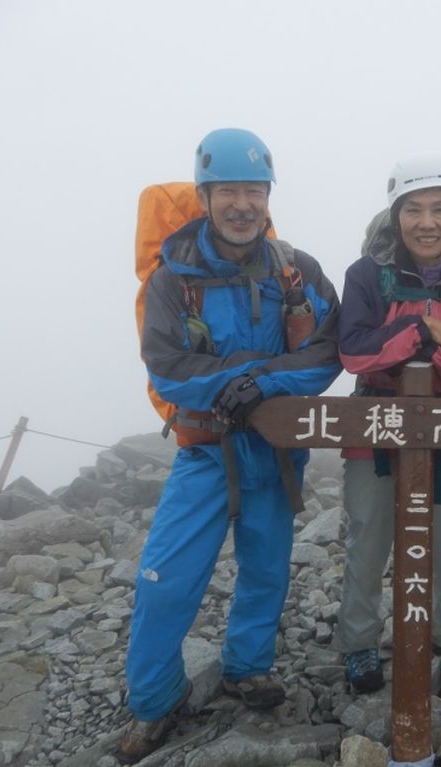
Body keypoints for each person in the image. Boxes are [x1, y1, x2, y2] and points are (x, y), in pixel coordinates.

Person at [118, 128, 341, 763]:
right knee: (165, 579)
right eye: (228, 192)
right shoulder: (172, 279)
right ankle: (155, 701)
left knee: (266, 568)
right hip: (205, 450)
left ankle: (249, 668)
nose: (242, 204)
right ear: (205, 197)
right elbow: (164, 366)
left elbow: (329, 351)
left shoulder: (297, 270)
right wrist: (242, 383)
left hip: (274, 450)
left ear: (269, 197)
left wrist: (257, 384)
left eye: (254, 191)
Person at [334, 152, 441, 695]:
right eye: (413, 209)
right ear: (395, 216)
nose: (426, 222)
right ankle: (359, 644)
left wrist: (415, 355)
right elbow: (354, 352)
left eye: (439, 208)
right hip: (376, 430)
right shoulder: (366, 276)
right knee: (368, 539)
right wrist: (428, 329)